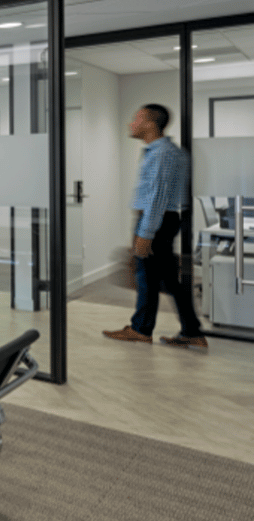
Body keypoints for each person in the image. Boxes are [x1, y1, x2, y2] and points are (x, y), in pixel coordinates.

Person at [104, 104, 207, 348]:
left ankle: (141, 330)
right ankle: (191, 331)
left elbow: (157, 197)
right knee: (168, 279)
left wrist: (145, 233)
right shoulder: (160, 151)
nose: (131, 124)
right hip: (160, 220)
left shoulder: (163, 153)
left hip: (157, 221)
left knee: (147, 278)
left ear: (150, 124)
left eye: (135, 119)